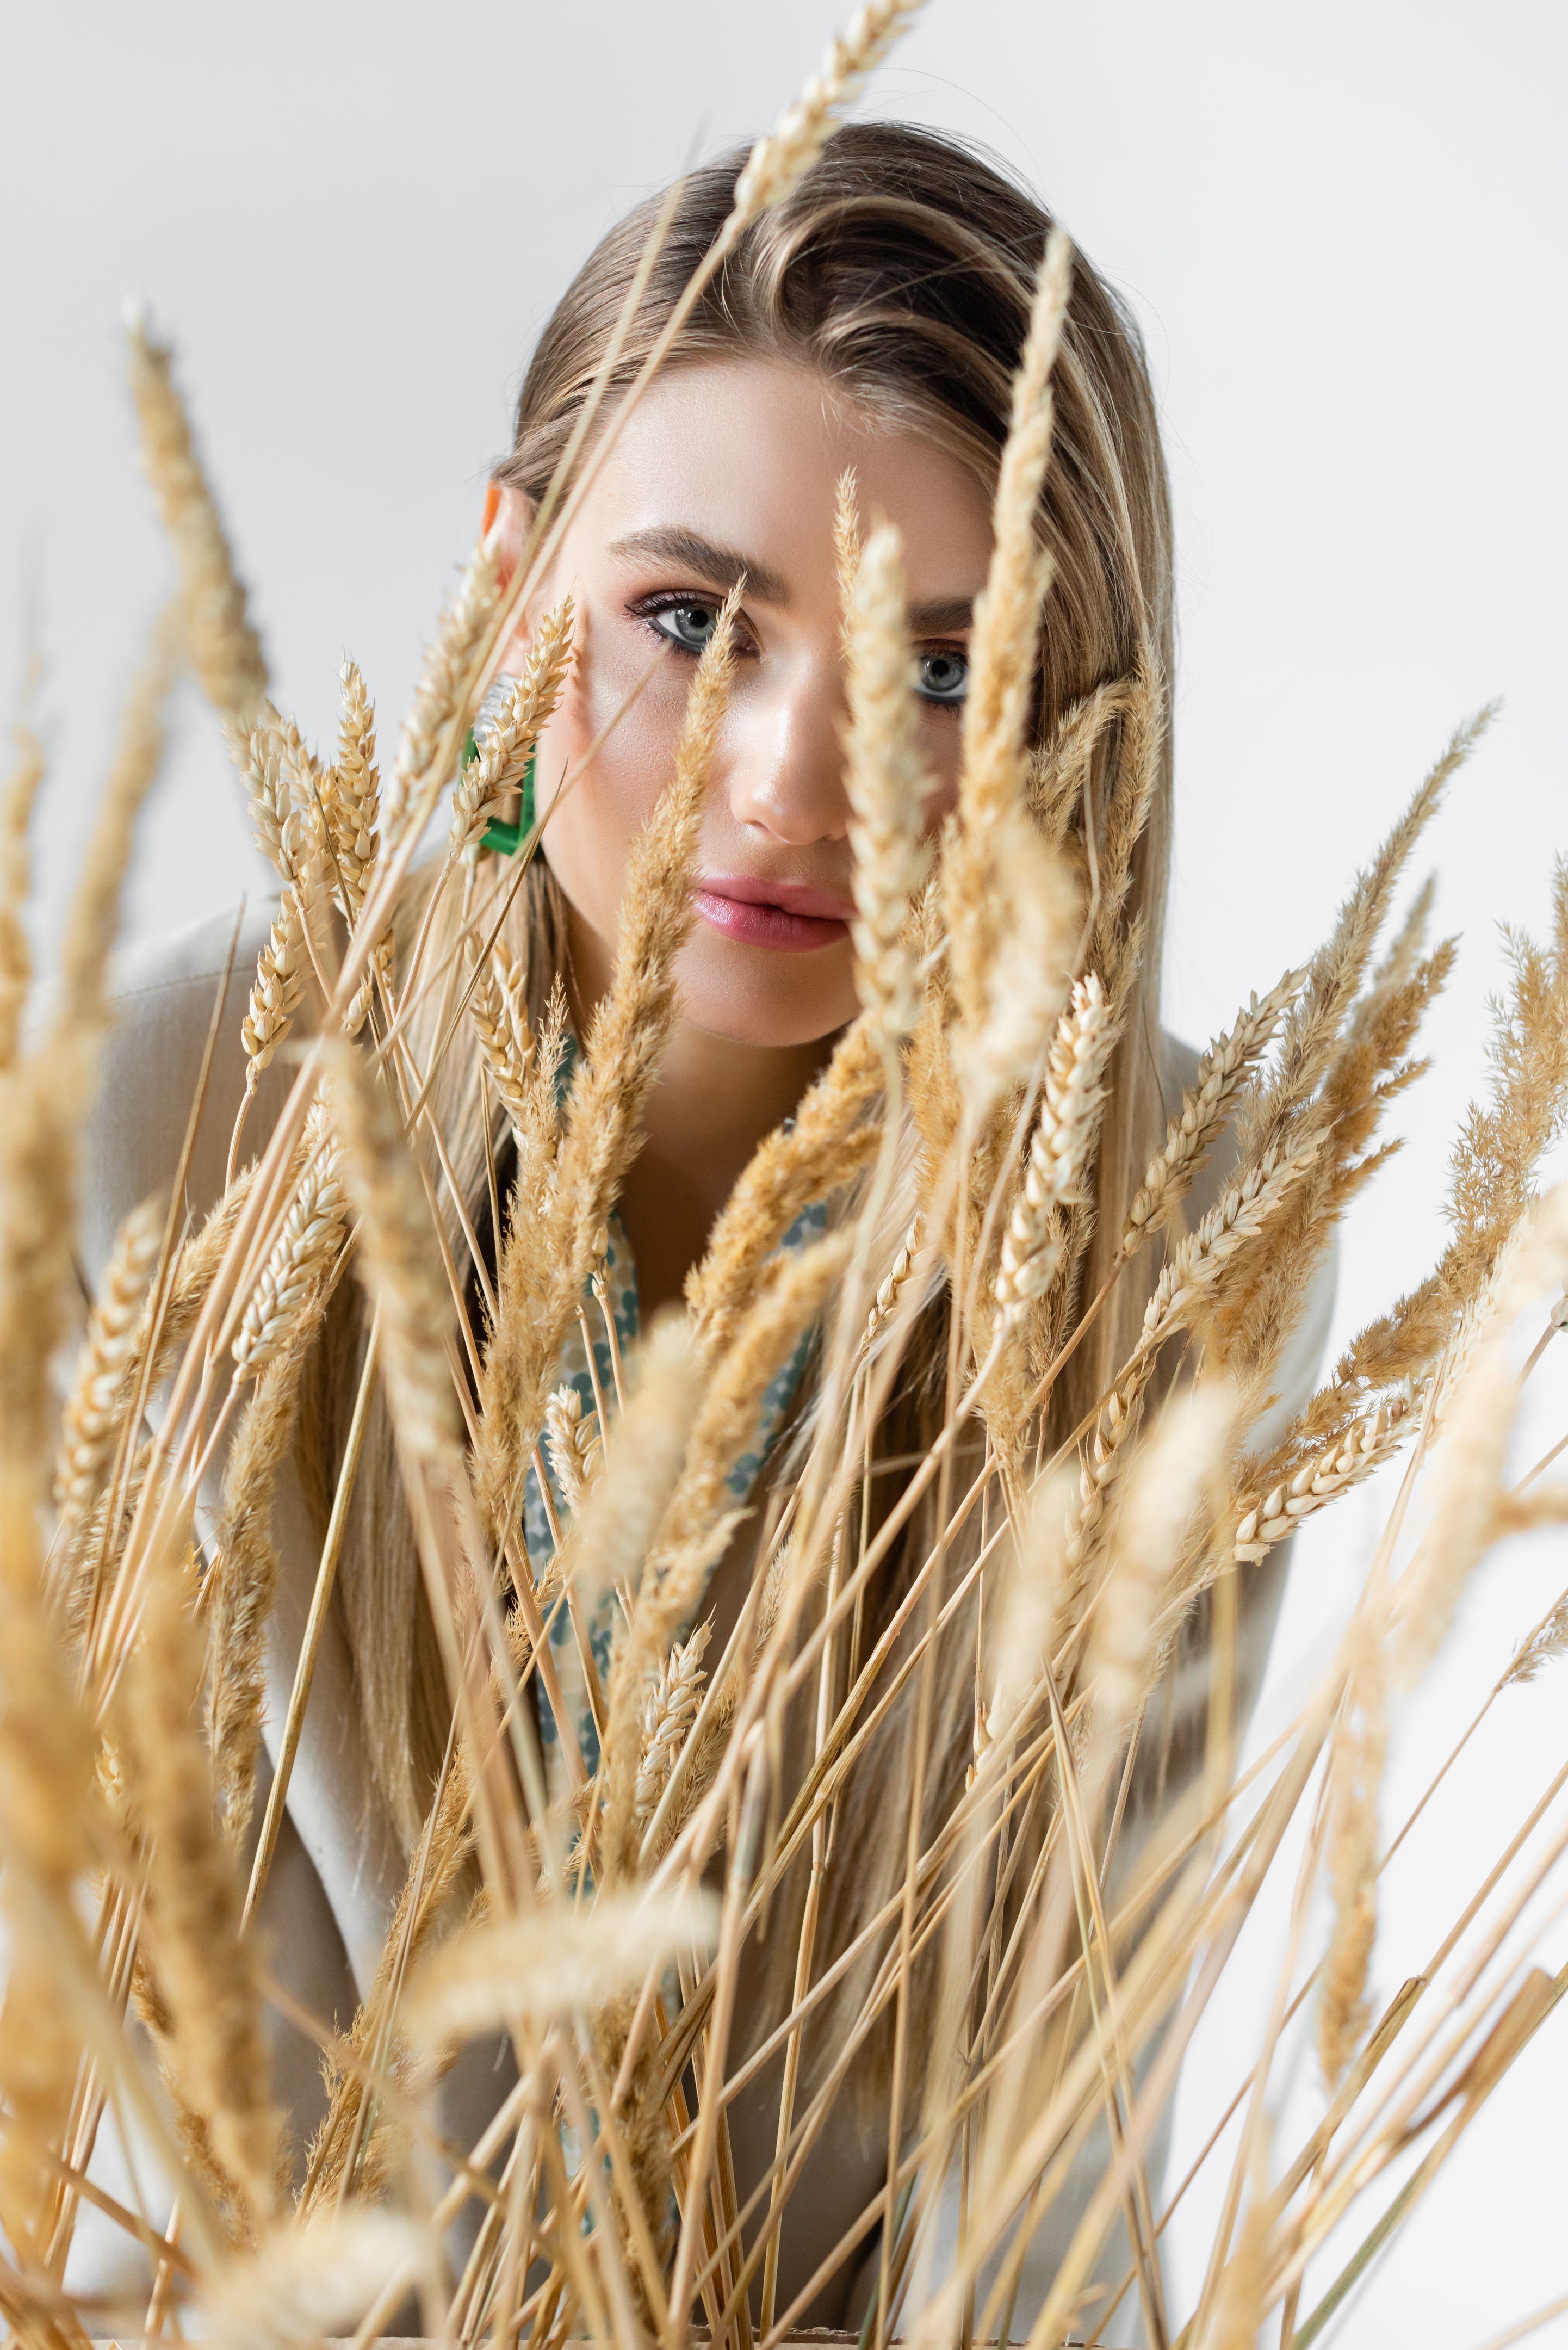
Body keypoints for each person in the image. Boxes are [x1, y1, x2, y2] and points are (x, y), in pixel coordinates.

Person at [77, 124, 1333, 2338]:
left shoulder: (1180, 1216)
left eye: (939, 670)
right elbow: (187, 2115)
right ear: (507, 578)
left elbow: (1062, 2159)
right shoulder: (185, 1126)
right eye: (688, 620)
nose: (788, 777)